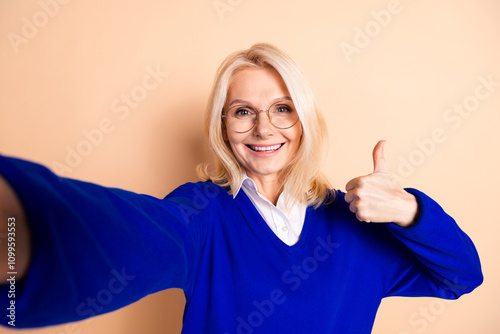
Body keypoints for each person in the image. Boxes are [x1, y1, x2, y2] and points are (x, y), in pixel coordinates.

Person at [0, 43, 482, 333]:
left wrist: (409, 211)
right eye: (243, 111)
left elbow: (461, 276)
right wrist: (19, 224)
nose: (263, 129)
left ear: (305, 121)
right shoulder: (202, 214)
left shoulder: (359, 225)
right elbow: (131, 237)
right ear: (223, 125)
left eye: (283, 108)